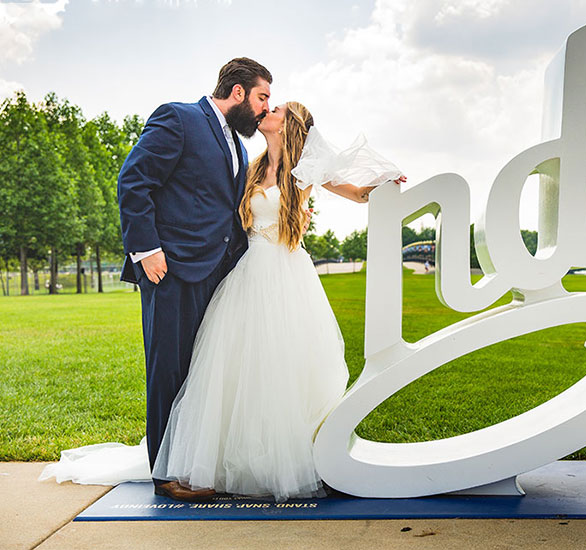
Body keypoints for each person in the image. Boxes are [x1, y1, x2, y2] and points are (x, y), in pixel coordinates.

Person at [40, 100, 405, 503]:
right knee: (232, 369)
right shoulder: (248, 166)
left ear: (291, 125)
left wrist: (387, 182)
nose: (268, 109)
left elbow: (356, 193)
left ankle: (289, 459)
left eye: (277, 107)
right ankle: (225, 459)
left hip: (286, 276)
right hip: (245, 275)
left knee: (281, 368)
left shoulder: (303, 172)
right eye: (266, 100)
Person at [117, 58, 271, 501]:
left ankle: (190, 462)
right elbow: (135, 181)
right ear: (238, 92)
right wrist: (147, 250)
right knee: (168, 368)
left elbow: (226, 209)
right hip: (170, 269)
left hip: (217, 273)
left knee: (198, 373)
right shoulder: (179, 117)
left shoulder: (239, 148)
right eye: (262, 97)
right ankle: (164, 475)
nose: (264, 108)